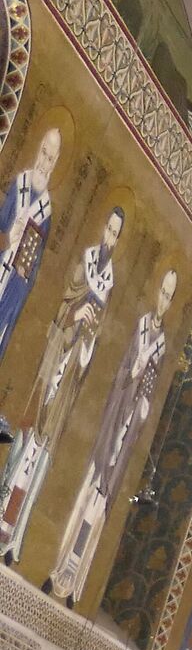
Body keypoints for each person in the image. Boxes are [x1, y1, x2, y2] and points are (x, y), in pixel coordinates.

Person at [0, 208, 122, 559]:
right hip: (51, 364)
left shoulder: (109, 282)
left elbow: (95, 341)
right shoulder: (83, 263)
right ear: (102, 229)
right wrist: (74, 316)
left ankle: (15, 539)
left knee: (38, 459)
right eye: (109, 230)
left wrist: (86, 343)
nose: (110, 239)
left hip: (68, 378)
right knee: (23, 447)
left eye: (116, 235)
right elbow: (61, 309)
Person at [49, 269, 177, 603]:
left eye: (169, 296)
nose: (163, 301)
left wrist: (144, 405)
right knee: (87, 493)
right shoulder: (143, 326)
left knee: (101, 505)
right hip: (113, 423)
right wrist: (131, 376)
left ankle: (77, 583)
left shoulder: (162, 344)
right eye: (162, 293)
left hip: (129, 429)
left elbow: (150, 386)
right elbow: (123, 372)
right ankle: (58, 569)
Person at [0, 128, 60, 362]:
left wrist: (23, 274)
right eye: (44, 153)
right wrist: (8, 237)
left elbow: (32, 271)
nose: (44, 162)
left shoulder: (46, 213)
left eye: (50, 158)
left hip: (10, 293)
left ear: (55, 164)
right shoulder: (18, 185)